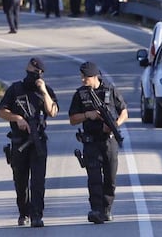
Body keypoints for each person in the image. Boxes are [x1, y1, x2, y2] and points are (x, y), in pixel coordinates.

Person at [0, 57, 59, 228]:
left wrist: (44, 90)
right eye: (30, 72)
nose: (32, 75)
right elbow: (1, 111)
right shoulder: (15, 89)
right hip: (19, 142)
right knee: (21, 181)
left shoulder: (46, 90)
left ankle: (37, 215)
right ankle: (23, 212)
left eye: (35, 73)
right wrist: (16, 118)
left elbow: (52, 112)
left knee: (38, 181)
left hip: (38, 141)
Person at [68, 61, 128, 224]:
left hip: (109, 141)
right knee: (94, 178)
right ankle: (96, 210)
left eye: (85, 77)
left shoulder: (110, 90)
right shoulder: (80, 94)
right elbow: (73, 119)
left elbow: (124, 111)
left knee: (110, 178)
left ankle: (106, 208)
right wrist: (88, 115)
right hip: (90, 142)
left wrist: (115, 125)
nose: (82, 80)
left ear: (94, 76)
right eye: (81, 76)